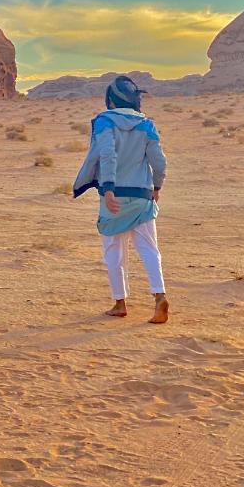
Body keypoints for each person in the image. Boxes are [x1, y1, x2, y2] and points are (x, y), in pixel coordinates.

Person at [73, 75, 169, 324]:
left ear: (111, 99)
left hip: (113, 195)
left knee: (114, 251)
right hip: (142, 195)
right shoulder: (147, 124)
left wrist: (109, 187)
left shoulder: (104, 122)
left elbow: (107, 154)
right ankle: (159, 297)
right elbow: (159, 161)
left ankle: (120, 303)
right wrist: (157, 186)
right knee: (149, 249)